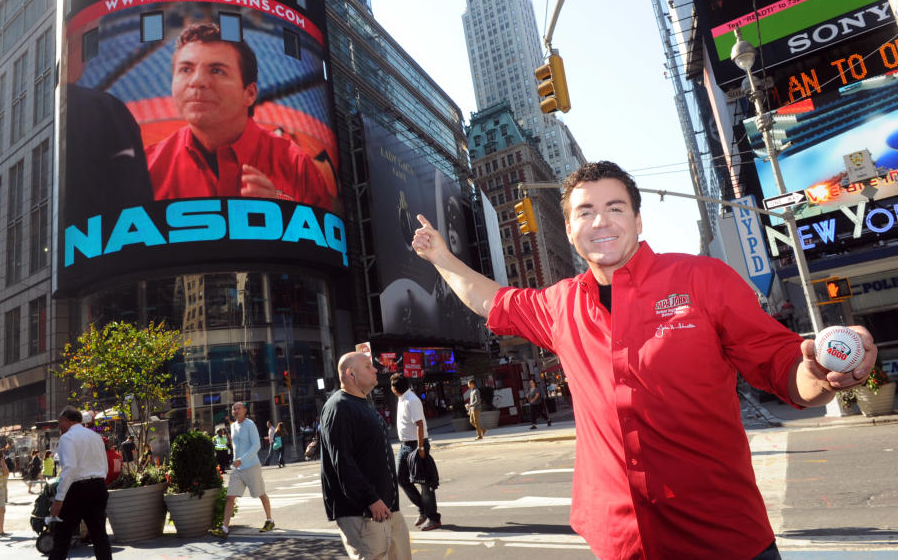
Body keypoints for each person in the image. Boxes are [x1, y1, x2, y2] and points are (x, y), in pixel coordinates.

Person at [411, 160, 879, 560]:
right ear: (570, 230)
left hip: (723, 539)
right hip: (620, 542)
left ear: (638, 221)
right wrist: (441, 258)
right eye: (585, 212)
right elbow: (490, 299)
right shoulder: (559, 305)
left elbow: (782, 366)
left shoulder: (702, 278)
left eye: (615, 208)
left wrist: (822, 374)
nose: (600, 221)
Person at [144, 23, 332, 208]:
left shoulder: (297, 165)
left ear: (250, 93)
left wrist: (281, 210)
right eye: (186, 69)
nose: (197, 81)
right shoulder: (146, 167)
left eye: (217, 70)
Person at [319, 352, 411, 560]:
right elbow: (342, 461)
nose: (376, 369)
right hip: (363, 511)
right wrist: (370, 499)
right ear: (351, 374)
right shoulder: (338, 407)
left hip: (386, 507)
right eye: (369, 366)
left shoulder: (362, 404)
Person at [49, 406, 111, 560]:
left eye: (60, 422)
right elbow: (104, 465)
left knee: (62, 536)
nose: (59, 426)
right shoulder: (95, 436)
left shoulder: (67, 437)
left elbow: (69, 468)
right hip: (99, 486)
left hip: (78, 489)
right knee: (99, 536)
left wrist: (58, 500)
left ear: (69, 421)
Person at [390, 373, 441, 531]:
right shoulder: (402, 399)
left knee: (424, 483)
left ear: (395, 388)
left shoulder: (412, 400)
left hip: (416, 446)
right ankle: (423, 509)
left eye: (391, 385)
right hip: (405, 446)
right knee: (402, 478)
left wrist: (420, 448)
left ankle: (433, 518)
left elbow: (420, 424)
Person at [222, 401, 275, 535]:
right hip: (237, 469)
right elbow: (235, 446)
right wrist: (234, 460)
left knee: (260, 493)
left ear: (245, 410)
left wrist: (242, 459)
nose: (236, 411)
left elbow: (256, 445)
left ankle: (269, 520)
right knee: (230, 497)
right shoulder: (233, 426)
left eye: (238, 408)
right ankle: (224, 528)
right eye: (234, 409)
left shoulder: (250, 425)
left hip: (251, 466)